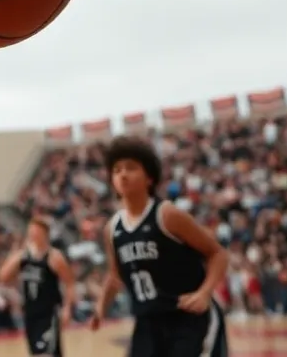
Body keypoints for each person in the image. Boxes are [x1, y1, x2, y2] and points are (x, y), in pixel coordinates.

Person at [89, 137, 228, 357]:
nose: (123, 174)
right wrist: (100, 307)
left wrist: (204, 293)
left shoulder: (167, 215)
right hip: (148, 323)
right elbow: (115, 276)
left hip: (188, 319)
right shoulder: (112, 229)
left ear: (149, 178)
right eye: (117, 170)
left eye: (131, 168)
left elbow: (217, 253)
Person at [0, 218, 75, 356]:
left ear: (45, 234)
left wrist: (67, 308)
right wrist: (16, 251)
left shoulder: (54, 257)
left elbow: (69, 283)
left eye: (35, 231)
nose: (32, 234)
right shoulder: (23, 256)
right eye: (30, 231)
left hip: (49, 314)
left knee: (44, 353)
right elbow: (3, 277)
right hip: (30, 314)